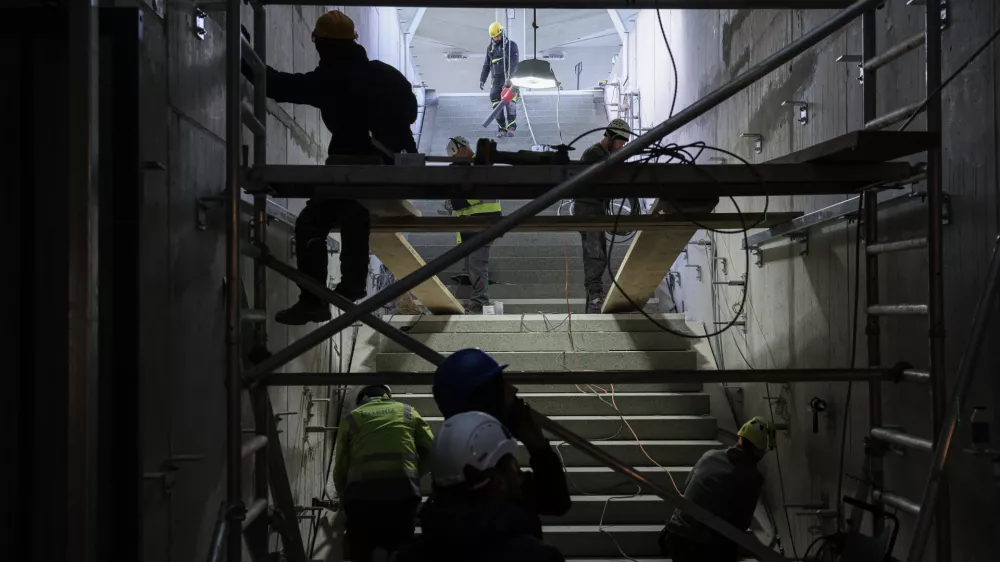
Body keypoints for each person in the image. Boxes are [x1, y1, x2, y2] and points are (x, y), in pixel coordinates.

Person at [242, 10, 418, 325]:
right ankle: (352, 284)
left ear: (321, 44)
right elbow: (411, 111)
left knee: (313, 223)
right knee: (353, 210)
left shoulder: (332, 77)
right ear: (354, 41)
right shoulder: (385, 73)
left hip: (356, 164)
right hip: (396, 166)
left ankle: (314, 300)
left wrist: (243, 55)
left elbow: (278, 85)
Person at [397, 411, 566, 562]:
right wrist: (541, 450)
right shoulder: (538, 557)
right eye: (514, 466)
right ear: (499, 482)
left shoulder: (409, 555)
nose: (520, 475)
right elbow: (553, 500)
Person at [432, 349, 571, 518]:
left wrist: (538, 446)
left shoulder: (460, 453)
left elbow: (555, 504)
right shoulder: (488, 463)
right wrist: (539, 448)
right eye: (501, 385)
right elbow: (554, 503)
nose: (513, 390)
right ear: (486, 399)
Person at [331, 384, 434, 562]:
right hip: (403, 494)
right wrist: (415, 473)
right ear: (388, 396)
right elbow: (432, 449)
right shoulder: (407, 412)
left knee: (362, 552)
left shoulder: (352, 418)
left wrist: (342, 499)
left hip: (361, 497)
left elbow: (340, 466)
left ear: (362, 400)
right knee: (402, 549)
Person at [658, 417, 773, 562]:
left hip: (675, 536)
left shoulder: (709, 455)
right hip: (701, 548)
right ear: (758, 449)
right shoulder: (752, 477)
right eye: (764, 450)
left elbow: (687, 486)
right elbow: (741, 524)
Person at [573, 118, 631, 313]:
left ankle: (595, 296)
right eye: (620, 143)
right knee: (595, 253)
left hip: (594, 207)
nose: (621, 147)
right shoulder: (594, 154)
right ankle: (595, 297)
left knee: (598, 253)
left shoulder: (604, 155)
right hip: (587, 208)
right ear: (611, 137)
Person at [446, 136, 501, 313]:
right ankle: (478, 300)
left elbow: (478, 192)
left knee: (477, 264)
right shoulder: (466, 167)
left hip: (482, 222)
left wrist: (455, 202)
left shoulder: (477, 165)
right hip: (471, 223)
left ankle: (480, 303)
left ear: (460, 150)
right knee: (473, 265)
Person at [479, 22, 520, 137]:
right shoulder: (490, 49)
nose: (496, 38)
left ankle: (511, 126)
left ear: (502, 33)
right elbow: (486, 65)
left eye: (498, 36)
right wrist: (482, 79)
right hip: (496, 80)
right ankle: (501, 127)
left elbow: (515, 64)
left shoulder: (512, 46)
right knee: (495, 101)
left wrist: (509, 79)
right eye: (494, 37)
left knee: (510, 100)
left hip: (510, 79)